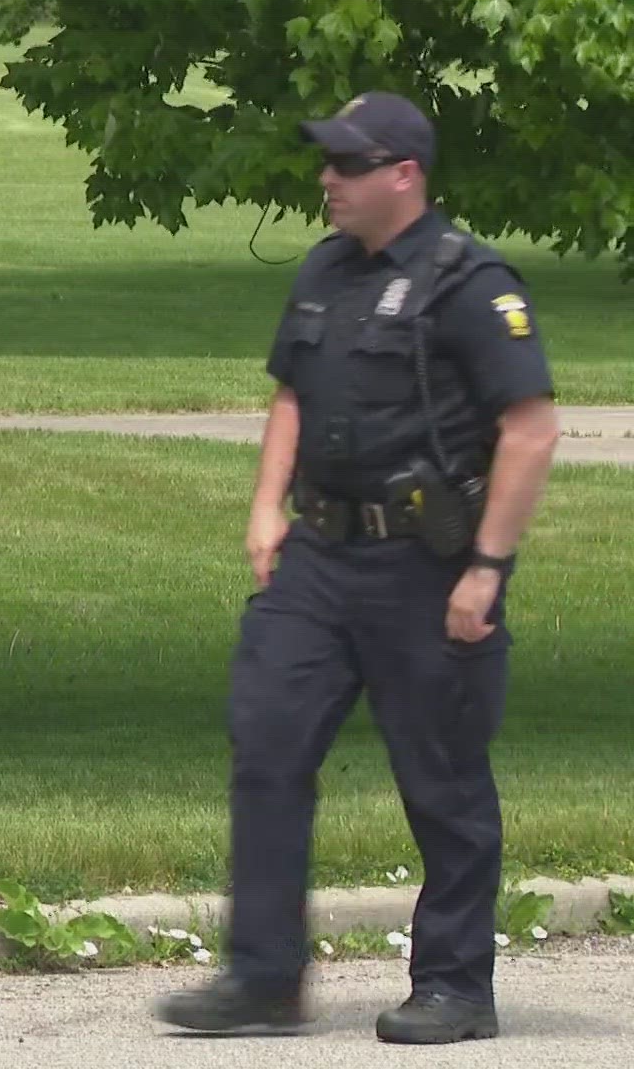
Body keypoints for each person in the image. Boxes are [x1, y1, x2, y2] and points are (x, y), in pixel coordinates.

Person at [154, 92, 562, 1044]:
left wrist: (487, 568)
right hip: (320, 557)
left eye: (346, 165)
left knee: (443, 775)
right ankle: (261, 979)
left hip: (427, 565)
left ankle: (455, 987)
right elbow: (293, 391)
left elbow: (530, 430)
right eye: (326, 163)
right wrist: (266, 504)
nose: (326, 181)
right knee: (267, 740)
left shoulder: (471, 283)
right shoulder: (327, 269)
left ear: (403, 175)